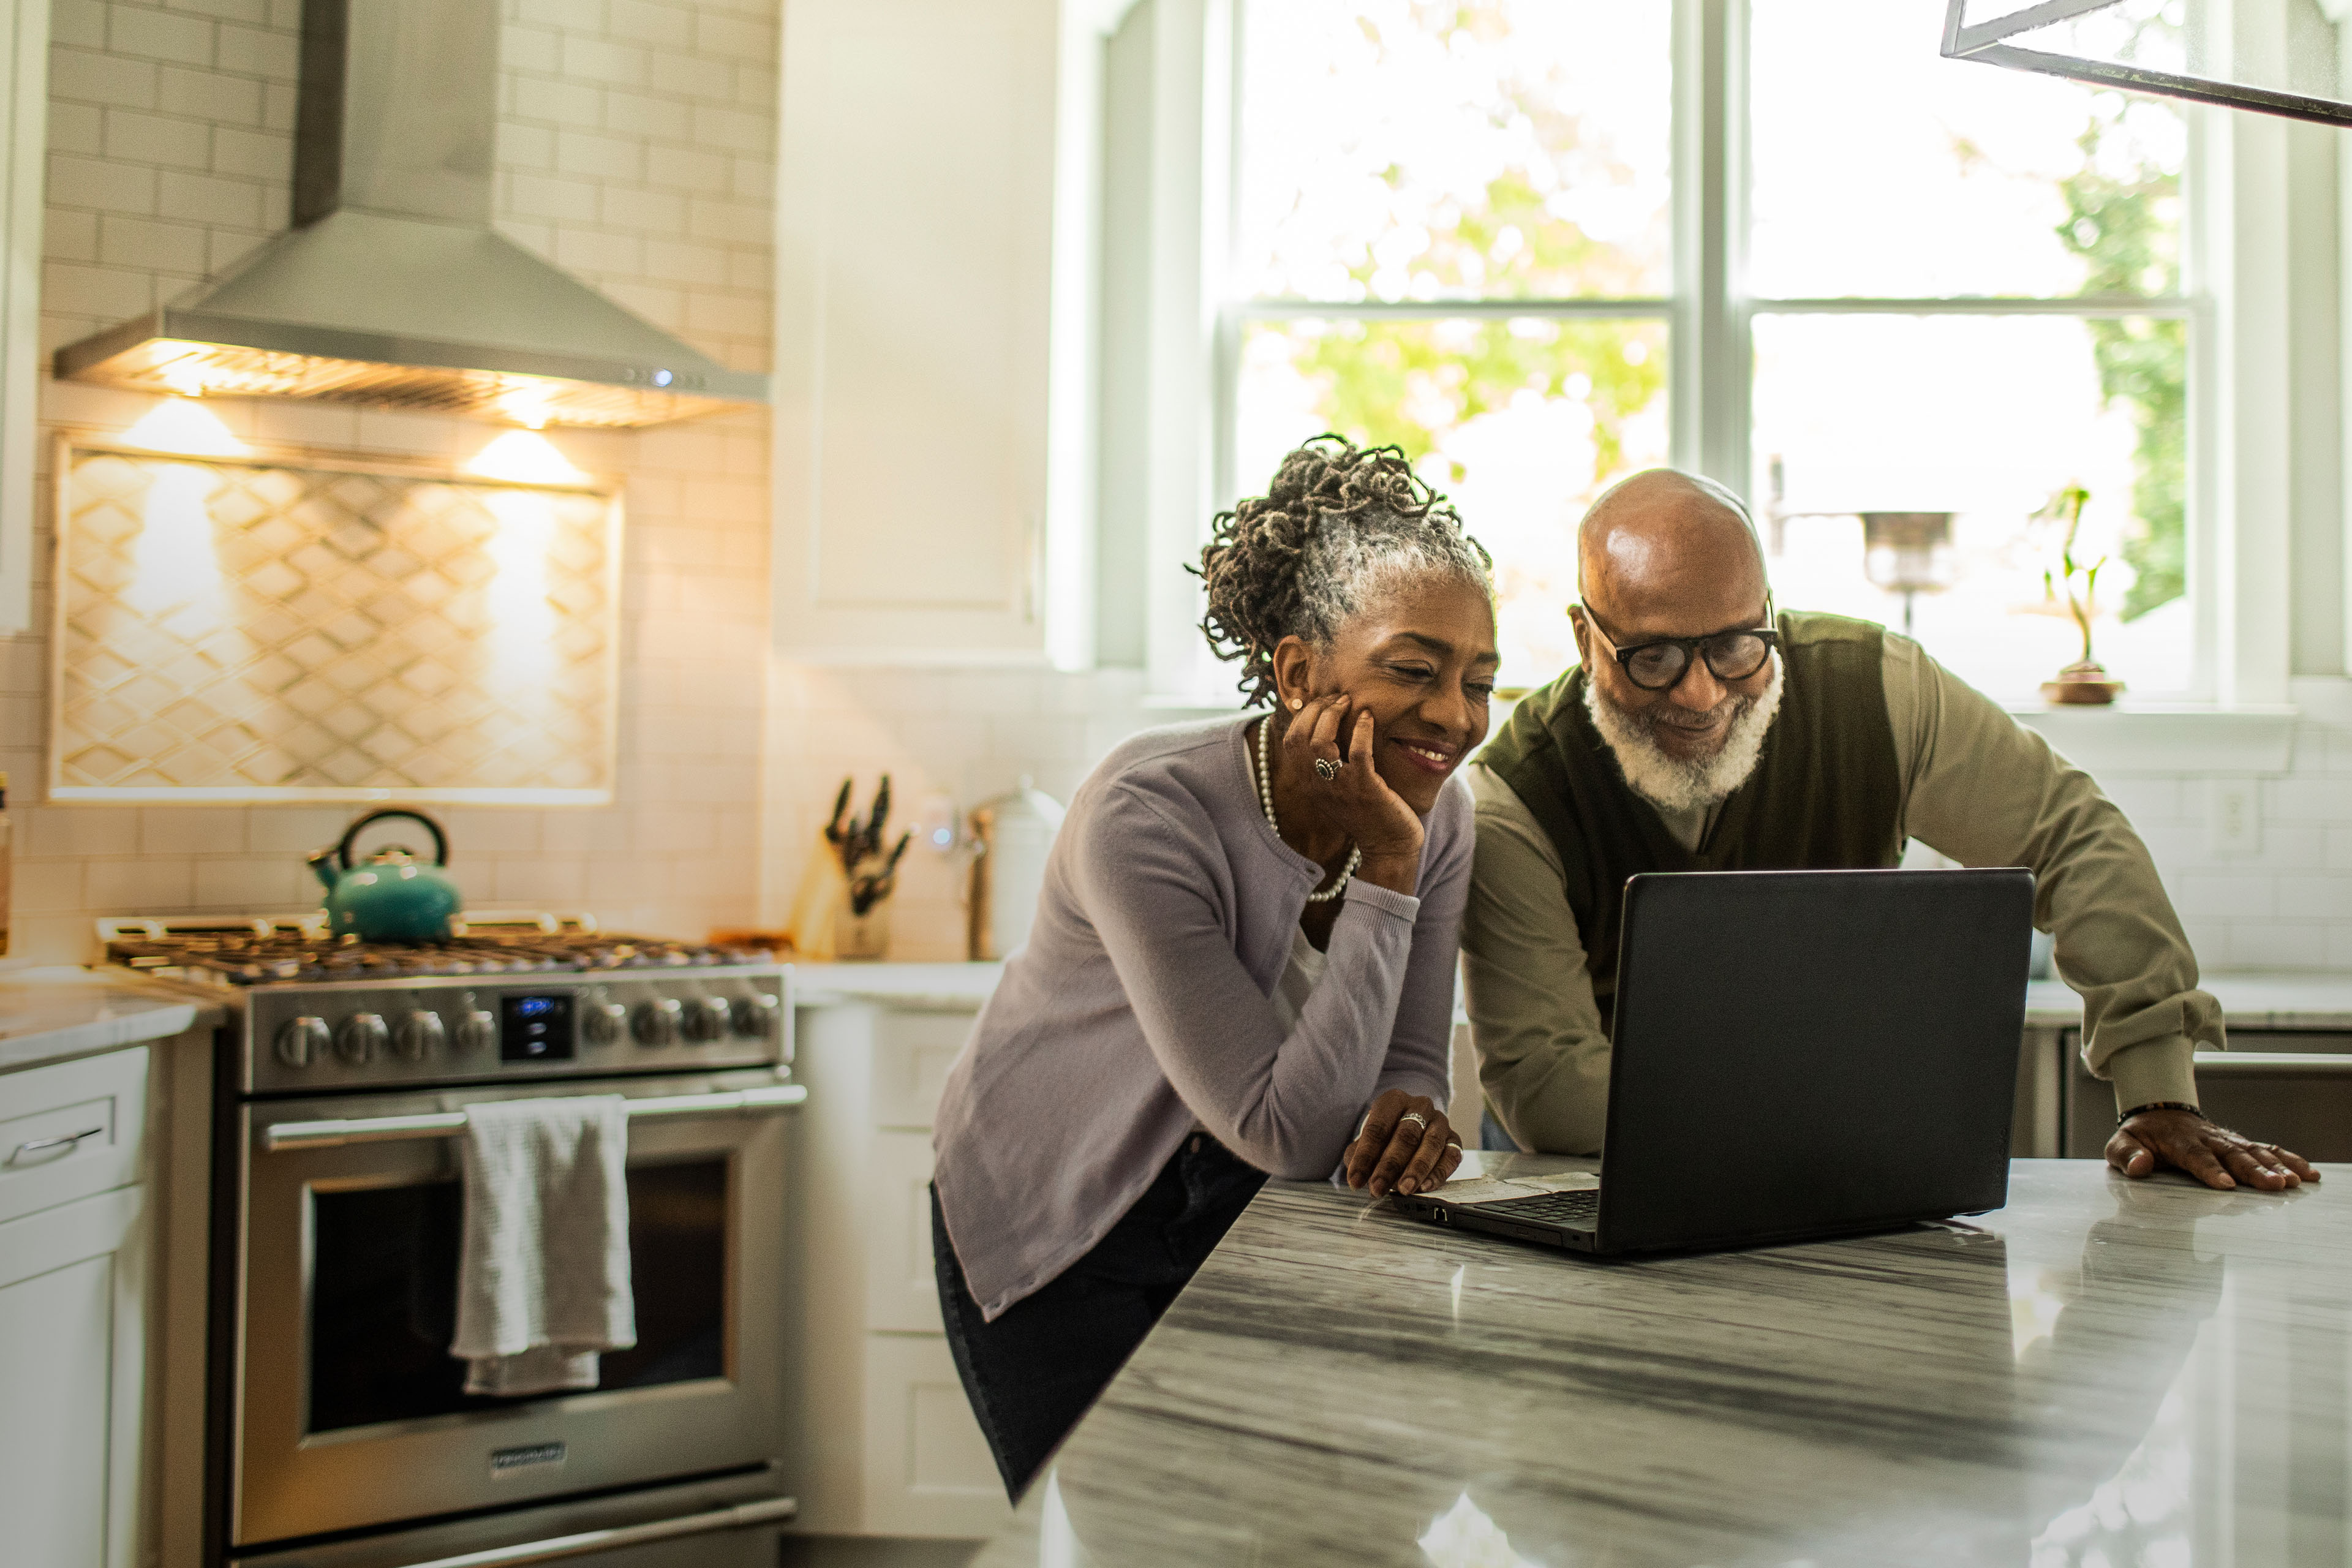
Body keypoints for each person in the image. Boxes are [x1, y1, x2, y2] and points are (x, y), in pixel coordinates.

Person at [1464, 467, 2318, 1192]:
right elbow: (1548, 1089)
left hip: (1840, 1170)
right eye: (1652, 657)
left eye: (1737, 646)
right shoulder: (1514, 795)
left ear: (1771, 609)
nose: (1702, 696)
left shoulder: (1879, 693)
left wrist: (2157, 1090)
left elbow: (2069, 835)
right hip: (1589, 1182)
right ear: (1585, 637)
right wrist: (1855, 1106)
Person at [930, 436, 1501, 1498]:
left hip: (1240, 1215)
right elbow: (1286, 1131)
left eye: (1479, 681)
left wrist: (1414, 1115)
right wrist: (1385, 865)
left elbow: (1408, 1067)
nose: (1457, 718)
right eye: (1415, 671)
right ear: (1297, 672)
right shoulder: (1146, 816)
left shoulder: (1441, 814)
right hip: (1061, 1215)